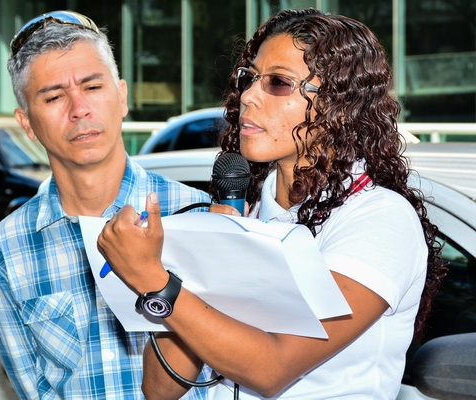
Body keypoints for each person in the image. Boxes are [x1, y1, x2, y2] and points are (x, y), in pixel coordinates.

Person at [97, 8, 447, 399]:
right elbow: (161, 389)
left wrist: (154, 281)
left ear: (340, 106)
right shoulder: (247, 212)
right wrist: (200, 265)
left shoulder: (378, 218)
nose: (248, 96)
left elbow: (272, 369)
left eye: (278, 82)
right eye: (249, 78)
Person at [0, 11, 213, 399]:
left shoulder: (197, 215)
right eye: (54, 97)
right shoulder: (6, 250)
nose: (79, 109)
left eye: (92, 87)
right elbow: (35, 392)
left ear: (122, 96)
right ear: (27, 123)